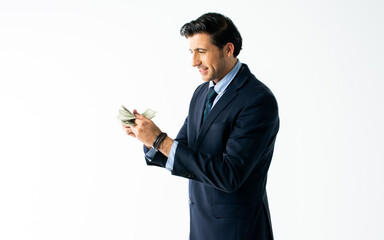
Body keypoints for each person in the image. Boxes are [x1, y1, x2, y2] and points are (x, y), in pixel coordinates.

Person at [122, 12, 279, 240]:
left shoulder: (257, 100)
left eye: (202, 52)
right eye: (191, 52)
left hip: (238, 233)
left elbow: (229, 175)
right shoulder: (201, 93)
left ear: (228, 49)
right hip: (201, 228)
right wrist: (149, 139)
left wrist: (159, 140)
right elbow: (183, 151)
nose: (194, 62)